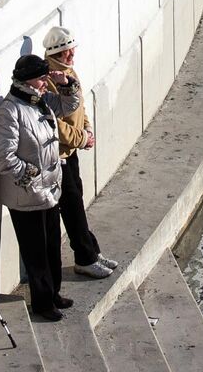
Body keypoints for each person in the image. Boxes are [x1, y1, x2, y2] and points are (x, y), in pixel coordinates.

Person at [0, 52, 80, 322]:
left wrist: (65, 83)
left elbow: (68, 106)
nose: (45, 83)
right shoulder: (10, 111)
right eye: (42, 78)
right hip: (27, 195)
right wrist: (30, 174)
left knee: (52, 244)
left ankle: (53, 294)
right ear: (29, 81)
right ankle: (42, 303)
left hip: (49, 191)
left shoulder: (40, 102)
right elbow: (2, 158)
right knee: (36, 252)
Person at [44, 27, 118, 279]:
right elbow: (54, 122)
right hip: (58, 156)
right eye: (68, 51)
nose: (72, 54)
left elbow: (78, 106)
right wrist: (81, 137)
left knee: (77, 202)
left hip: (70, 152)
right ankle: (85, 258)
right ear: (58, 52)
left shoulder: (67, 73)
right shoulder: (49, 78)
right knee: (72, 206)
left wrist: (86, 127)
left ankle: (91, 252)